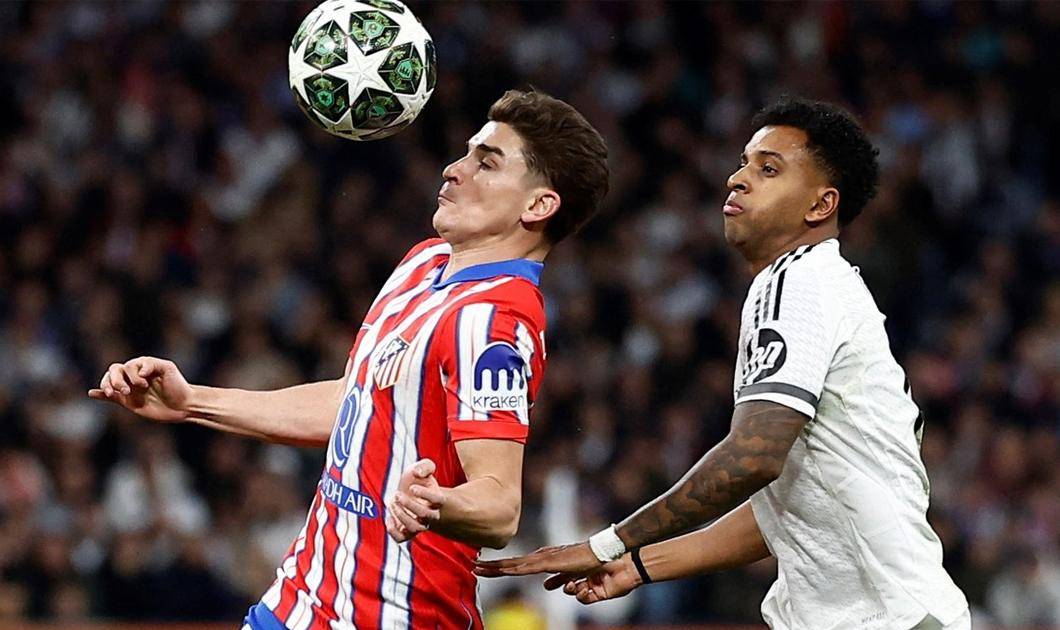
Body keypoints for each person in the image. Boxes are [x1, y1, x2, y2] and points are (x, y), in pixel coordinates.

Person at [88, 89, 609, 630]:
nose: (454, 169)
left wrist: (434, 503)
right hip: (298, 602)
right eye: (467, 152)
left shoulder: (494, 319)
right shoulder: (425, 263)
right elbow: (352, 402)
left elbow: (500, 506)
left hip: (392, 617)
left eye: (487, 163)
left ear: (538, 206)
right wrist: (193, 402)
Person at [475, 97, 971, 630]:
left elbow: (754, 457)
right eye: (743, 163)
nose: (737, 179)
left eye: (769, 169)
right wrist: (638, 564)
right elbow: (779, 513)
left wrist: (608, 542)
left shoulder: (797, 282)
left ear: (820, 205)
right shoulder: (823, 285)